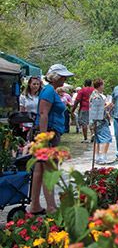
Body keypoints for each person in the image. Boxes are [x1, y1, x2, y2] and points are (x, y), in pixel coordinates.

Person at [29, 64, 74, 215]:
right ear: (57, 77)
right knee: (49, 170)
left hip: (49, 133)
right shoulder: (49, 91)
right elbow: (43, 114)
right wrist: (44, 139)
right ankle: (51, 207)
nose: (65, 78)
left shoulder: (50, 90)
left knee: (40, 169)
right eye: (63, 76)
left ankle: (35, 205)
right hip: (49, 133)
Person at [90, 78, 112, 165]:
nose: (104, 86)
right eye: (103, 85)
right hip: (100, 120)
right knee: (107, 138)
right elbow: (98, 109)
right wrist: (108, 105)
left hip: (96, 120)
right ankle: (103, 157)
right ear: (99, 85)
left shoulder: (96, 94)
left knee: (97, 139)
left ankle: (97, 156)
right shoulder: (96, 96)